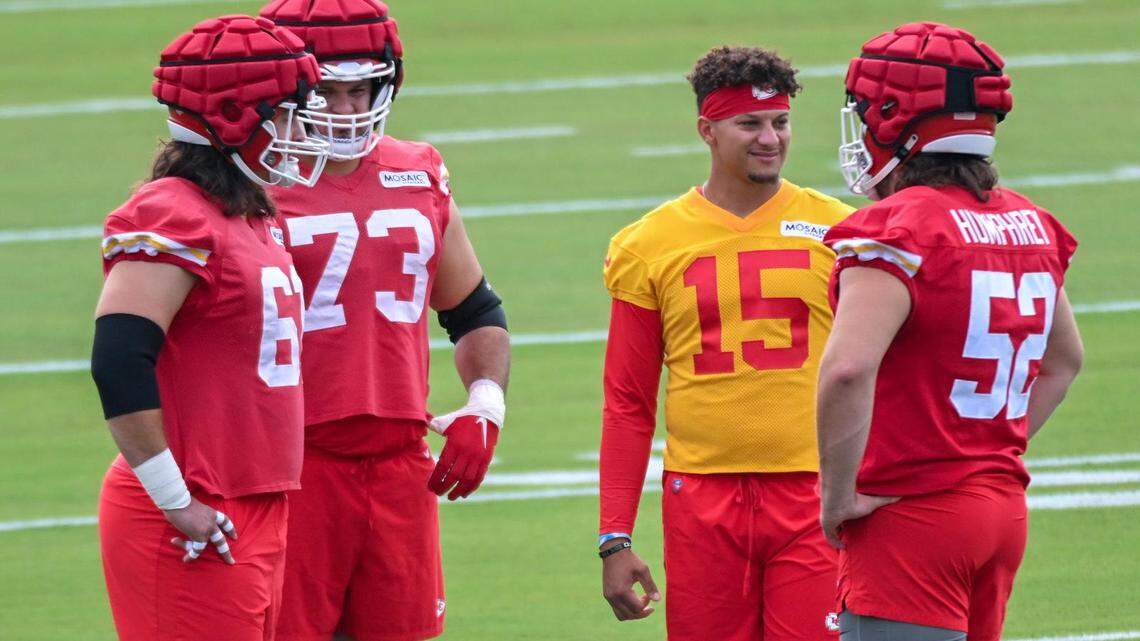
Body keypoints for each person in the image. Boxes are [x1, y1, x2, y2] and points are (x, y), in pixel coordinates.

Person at [817, 22, 1084, 641]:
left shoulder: (896, 228)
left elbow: (847, 368)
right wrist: (986, 450)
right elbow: (1064, 362)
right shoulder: (1029, 221)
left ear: (894, 118)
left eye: (866, 111)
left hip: (912, 516)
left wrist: (838, 497)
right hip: (1000, 509)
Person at [257, 1, 511, 639]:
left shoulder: (417, 169)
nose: (345, 110)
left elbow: (475, 309)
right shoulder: (245, 185)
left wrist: (485, 402)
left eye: (359, 90)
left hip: (399, 463)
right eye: (328, 92)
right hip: (287, 464)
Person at [599, 46, 853, 640]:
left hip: (814, 492)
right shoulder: (649, 243)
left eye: (781, 121)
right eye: (750, 123)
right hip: (701, 499)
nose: (770, 138)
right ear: (706, 131)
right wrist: (614, 534)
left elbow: (879, 374)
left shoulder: (842, 232)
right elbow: (627, 401)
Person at [90, 15, 330, 641]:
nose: (301, 132)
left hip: (255, 500)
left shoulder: (248, 216)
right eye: (288, 114)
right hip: (192, 510)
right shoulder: (173, 213)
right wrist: (175, 499)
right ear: (233, 117)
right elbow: (118, 360)